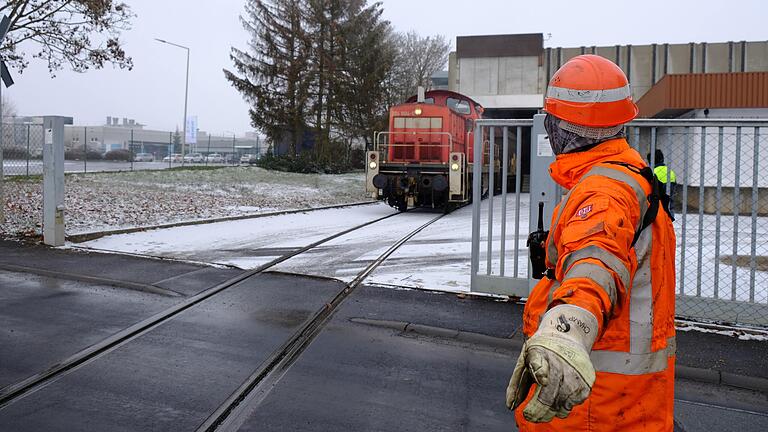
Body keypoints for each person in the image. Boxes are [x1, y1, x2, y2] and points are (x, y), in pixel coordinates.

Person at [506, 55, 677, 431]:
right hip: (627, 404)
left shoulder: (603, 192)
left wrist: (565, 333)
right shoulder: (629, 175)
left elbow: (595, 262)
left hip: (591, 411)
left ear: (562, 128)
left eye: (551, 121)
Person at [648, 149, 678, 220]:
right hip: (669, 203)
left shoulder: (652, 172)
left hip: (657, 206)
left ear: (650, 161)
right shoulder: (670, 171)